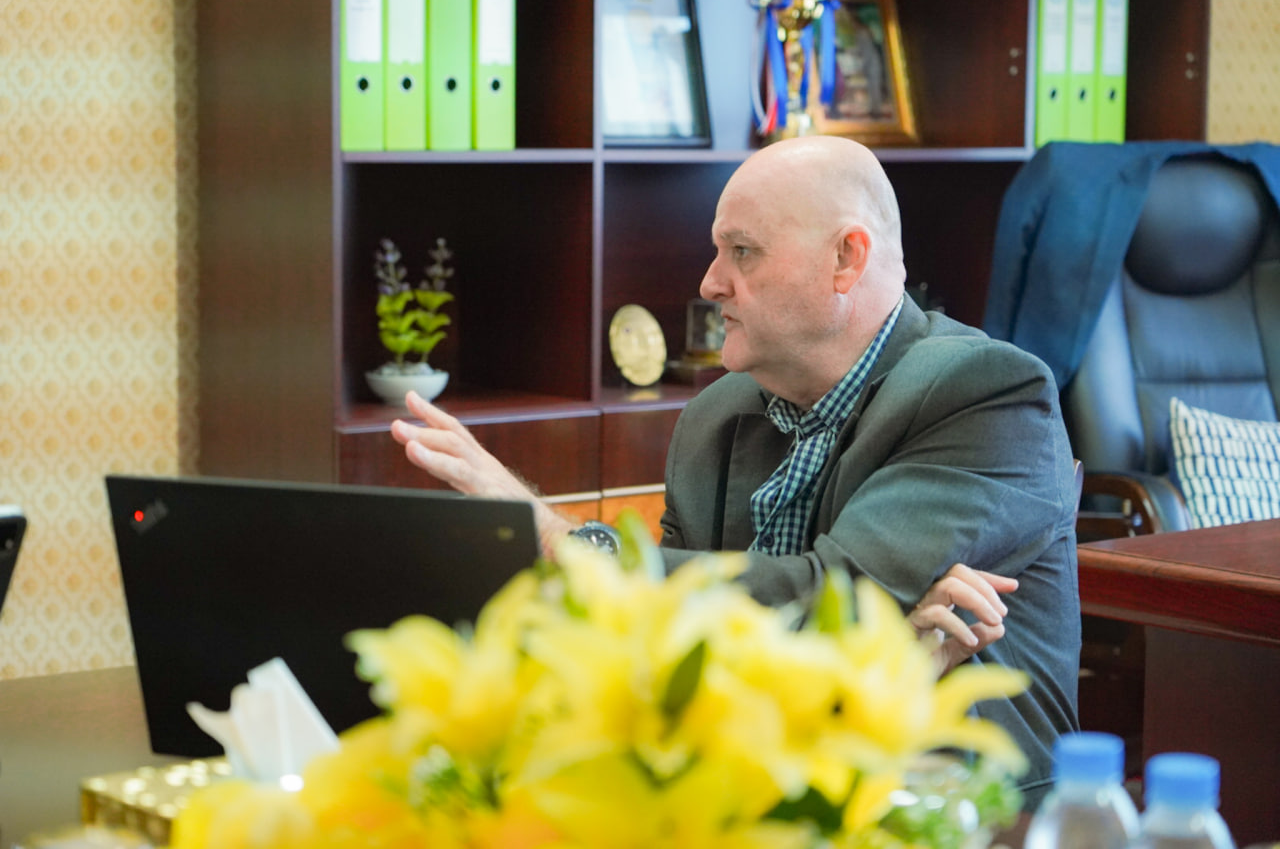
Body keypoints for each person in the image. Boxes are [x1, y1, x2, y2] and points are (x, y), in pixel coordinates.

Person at [389, 135, 1081, 807]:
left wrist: (571, 544)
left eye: (742, 251)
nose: (710, 281)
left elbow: (838, 596)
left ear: (846, 258)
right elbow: (671, 637)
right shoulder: (715, 415)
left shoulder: (985, 391)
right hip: (756, 788)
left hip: (964, 810)